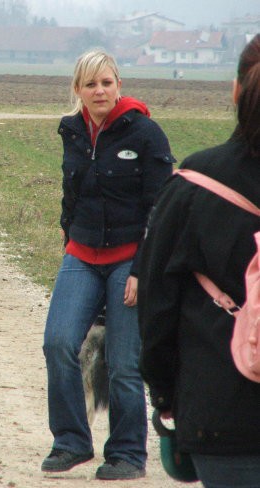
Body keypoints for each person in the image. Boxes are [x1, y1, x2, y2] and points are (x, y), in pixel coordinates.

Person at [41, 50, 175, 480]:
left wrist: (141, 268)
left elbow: (160, 207)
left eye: (107, 83)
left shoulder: (146, 133)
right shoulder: (72, 130)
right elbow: (71, 192)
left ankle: (127, 454)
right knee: (58, 343)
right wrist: (68, 238)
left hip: (129, 259)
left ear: (119, 84)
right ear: (77, 89)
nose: (100, 91)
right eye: (90, 84)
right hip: (81, 254)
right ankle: (71, 442)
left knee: (122, 362)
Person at [138, 34, 260, 486]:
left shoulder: (195, 185)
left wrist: (165, 395)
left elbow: (157, 306)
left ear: (236, 91)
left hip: (223, 413)